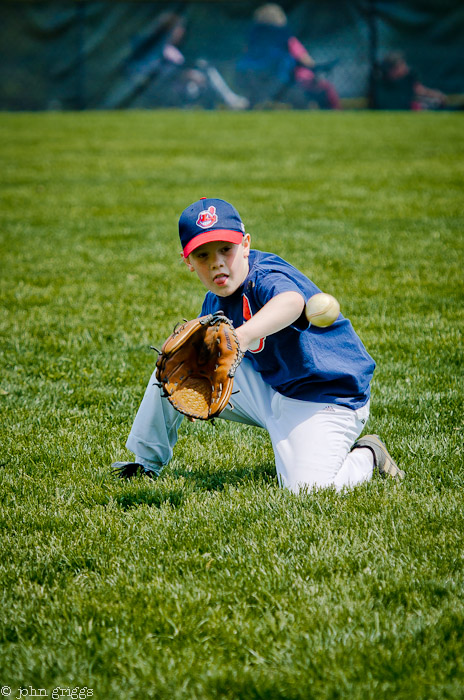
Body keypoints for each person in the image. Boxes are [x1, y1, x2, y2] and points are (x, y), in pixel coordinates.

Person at [112, 198, 404, 493]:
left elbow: (291, 302)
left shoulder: (263, 276)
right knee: (174, 369)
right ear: (188, 262)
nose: (217, 262)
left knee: (308, 489)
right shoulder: (214, 301)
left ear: (246, 245)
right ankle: (145, 463)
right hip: (273, 388)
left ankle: (369, 456)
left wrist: (242, 336)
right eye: (203, 255)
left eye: (226, 249)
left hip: (325, 395)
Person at [236, 3, 340, 109]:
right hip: (283, 83)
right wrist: (317, 70)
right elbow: (305, 60)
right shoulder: (285, 38)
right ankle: (335, 113)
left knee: (257, 98)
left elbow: (246, 54)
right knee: (323, 90)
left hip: (250, 77)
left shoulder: (253, 39)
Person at [375, 51, 447, 110]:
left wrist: (437, 94)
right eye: (402, 65)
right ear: (393, 68)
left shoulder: (409, 77)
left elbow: (419, 90)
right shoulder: (380, 80)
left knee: (434, 102)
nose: (405, 67)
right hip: (391, 107)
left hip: (407, 107)